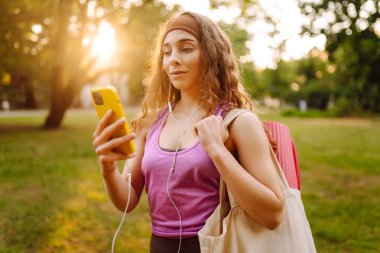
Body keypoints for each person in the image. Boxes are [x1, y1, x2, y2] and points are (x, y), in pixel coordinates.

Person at [92, 11, 284, 253]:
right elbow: (128, 201)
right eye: (167, 51)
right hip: (159, 246)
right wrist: (108, 169)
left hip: (216, 246)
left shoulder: (238, 122)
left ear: (211, 55)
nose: (173, 59)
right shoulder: (150, 122)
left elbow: (273, 214)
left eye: (186, 48)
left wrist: (217, 151)